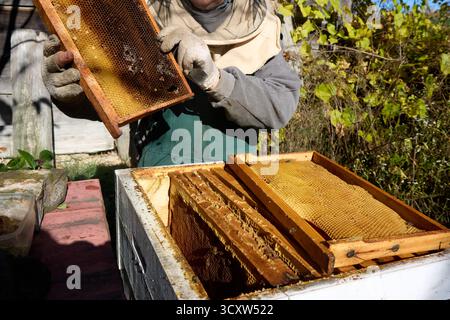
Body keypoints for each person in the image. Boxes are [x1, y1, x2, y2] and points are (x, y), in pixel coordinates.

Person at [42, 0, 301, 167]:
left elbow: (280, 104)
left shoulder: (262, 29)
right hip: (157, 174)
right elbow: (113, 93)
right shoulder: (140, 16)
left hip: (235, 174)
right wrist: (74, 94)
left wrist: (216, 80)